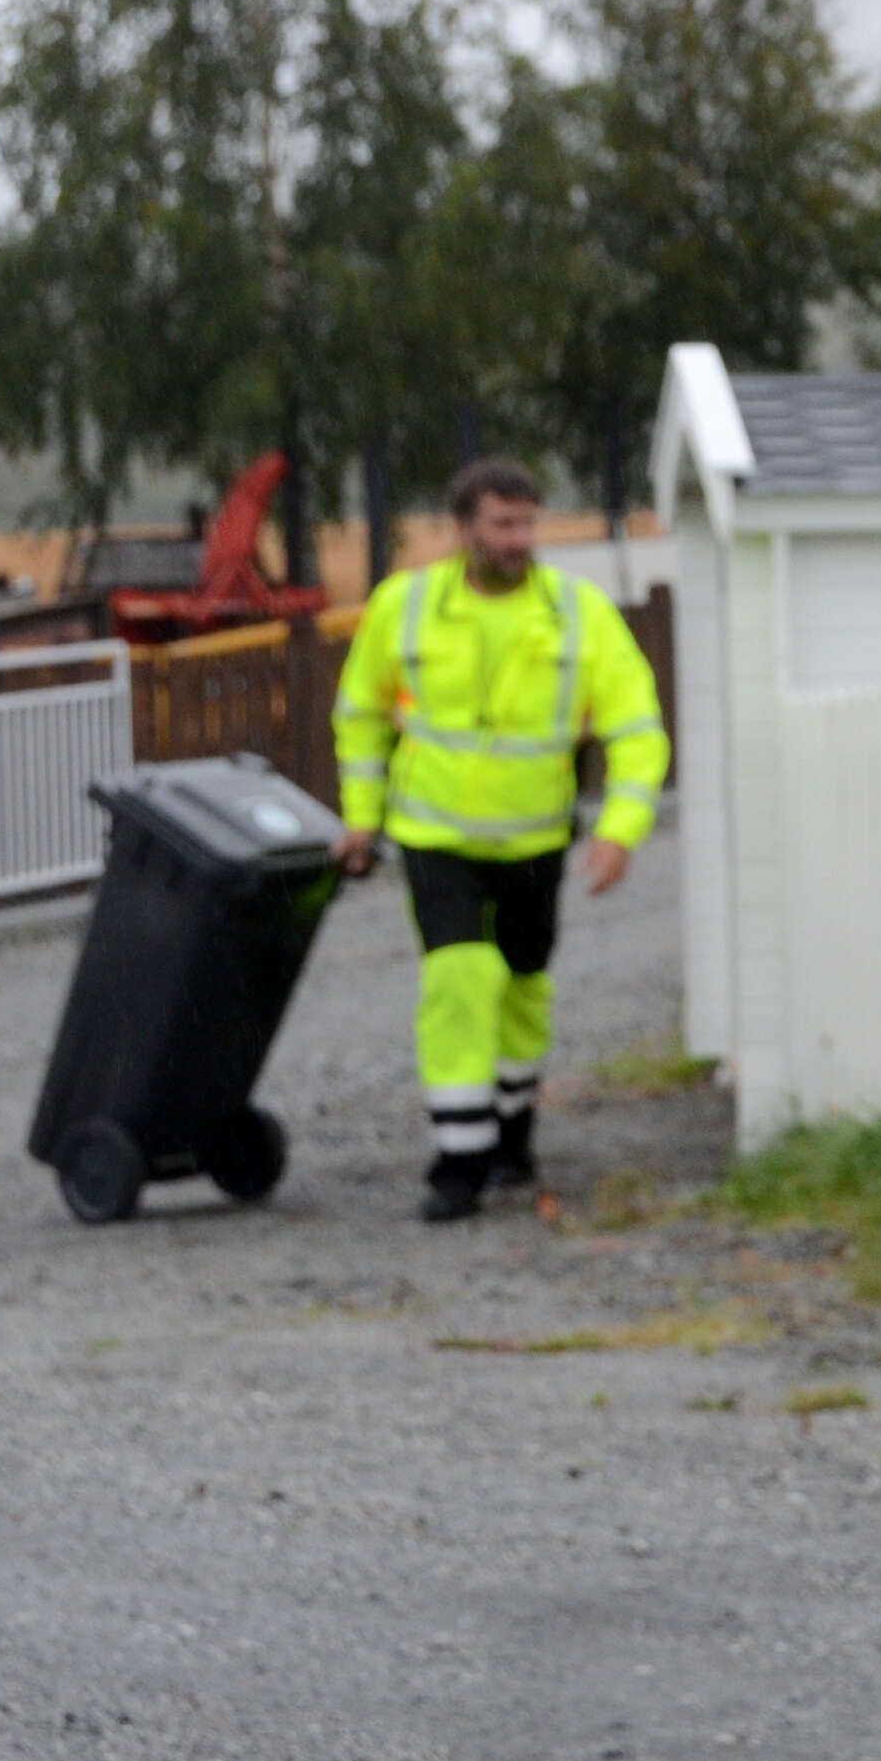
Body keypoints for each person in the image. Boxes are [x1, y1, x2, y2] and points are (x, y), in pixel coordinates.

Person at [330, 458, 670, 1221]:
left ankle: (514, 1130)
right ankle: (460, 1159)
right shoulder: (404, 606)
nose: (518, 539)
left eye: (526, 523)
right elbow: (360, 714)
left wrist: (620, 831)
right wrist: (361, 816)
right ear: (463, 529)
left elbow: (637, 729)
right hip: (435, 837)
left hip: (534, 842)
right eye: (502, 524)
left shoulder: (578, 613)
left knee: (523, 987)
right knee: (459, 978)